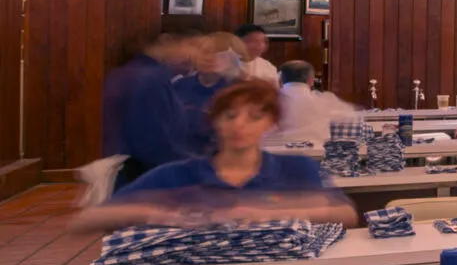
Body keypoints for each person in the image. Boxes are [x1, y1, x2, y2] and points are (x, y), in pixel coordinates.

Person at [71, 80, 354, 233]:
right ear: (214, 122)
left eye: (255, 117)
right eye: (229, 116)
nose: (239, 125)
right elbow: (87, 220)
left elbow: (347, 214)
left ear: (272, 125)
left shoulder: (297, 169)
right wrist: (163, 212)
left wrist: (268, 213)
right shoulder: (178, 175)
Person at [101, 24, 212, 186]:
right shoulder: (148, 78)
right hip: (143, 179)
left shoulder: (140, 72)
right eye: (193, 45)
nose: (195, 55)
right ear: (166, 40)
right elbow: (152, 144)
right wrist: (201, 168)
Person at [276, 60, 359, 141]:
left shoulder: (269, 101)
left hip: (273, 152)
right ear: (311, 80)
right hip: (317, 151)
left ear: (281, 80)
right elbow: (351, 117)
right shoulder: (325, 100)